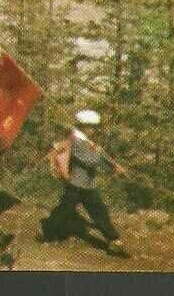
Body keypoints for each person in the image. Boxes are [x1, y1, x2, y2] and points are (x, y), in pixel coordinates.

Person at [40, 108, 129, 257]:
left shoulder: (86, 142)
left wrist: (113, 166)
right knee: (65, 211)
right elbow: (91, 161)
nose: (94, 130)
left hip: (87, 185)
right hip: (76, 185)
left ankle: (114, 240)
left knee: (99, 212)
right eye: (92, 127)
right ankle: (47, 233)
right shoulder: (75, 142)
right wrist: (97, 152)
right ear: (84, 126)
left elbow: (99, 157)